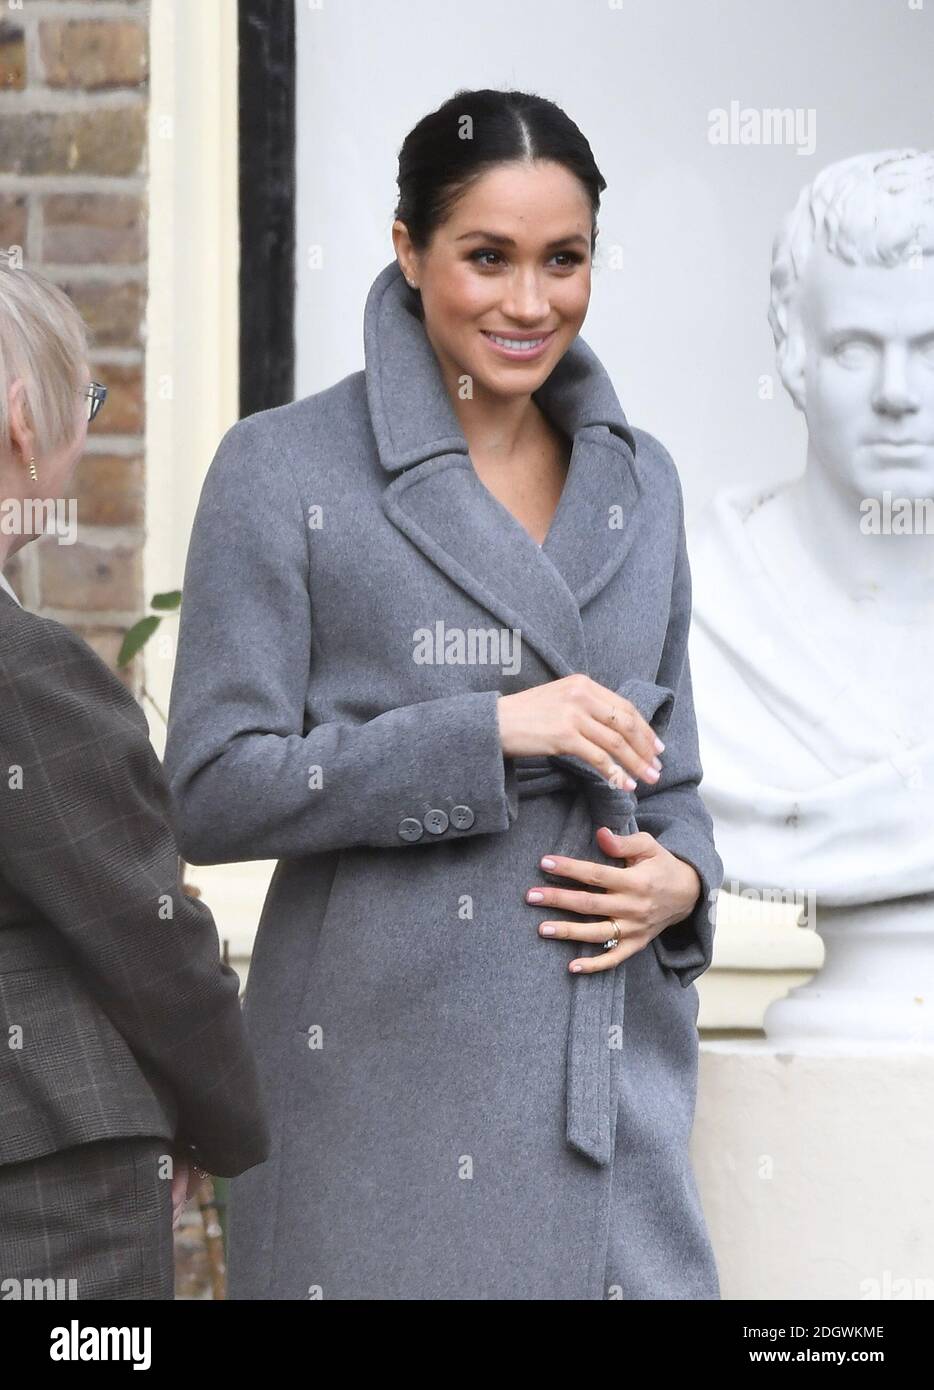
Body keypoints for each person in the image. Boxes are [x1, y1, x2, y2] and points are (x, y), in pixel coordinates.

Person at [164, 88, 723, 1300]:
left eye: (562, 260)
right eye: (488, 257)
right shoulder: (283, 469)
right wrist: (482, 734)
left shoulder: (645, 484)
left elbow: (670, 776)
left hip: (610, 1084)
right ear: (409, 250)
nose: (531, 303)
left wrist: (681, 885)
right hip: (380, 1091)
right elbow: (209, 789)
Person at [0, 258, 270, 1300]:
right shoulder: (26, 670)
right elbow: (145, 933)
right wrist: (218, 1118)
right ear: (26, 419)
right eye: (87, 403)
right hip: (46, 1181)